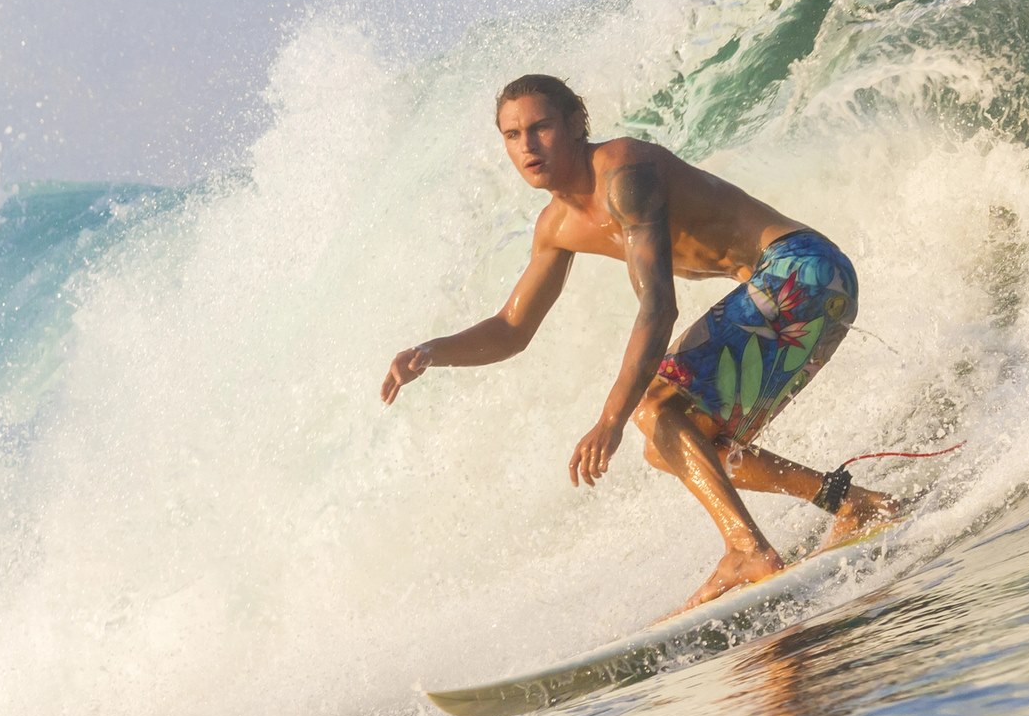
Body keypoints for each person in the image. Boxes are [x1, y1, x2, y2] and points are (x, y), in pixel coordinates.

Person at [381, 74, 896, 609]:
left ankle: (747, 550)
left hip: (803, 270)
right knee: (674, 444)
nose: (528, 146)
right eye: (512, 135)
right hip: (804, 289)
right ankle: (852, 503)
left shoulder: (626, 174)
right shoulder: (555, 226)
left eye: (541, 127)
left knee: (653, 406)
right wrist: (432, 351)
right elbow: (512, 328)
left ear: (577, 124)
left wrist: (611, 419)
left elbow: (658, 307)